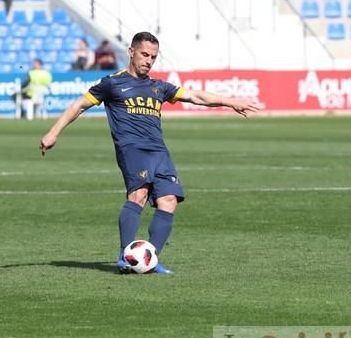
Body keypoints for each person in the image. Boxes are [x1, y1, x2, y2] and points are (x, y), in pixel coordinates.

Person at [40, 32, 258, 275]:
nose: (148, 60)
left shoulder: (159, 87)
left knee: (169, 201)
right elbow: (78, 105)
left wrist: (230, 102)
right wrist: (53, 132)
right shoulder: (112, 83)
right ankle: (125, 256)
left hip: (159, 151)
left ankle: (148, 259)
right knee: (139, 195)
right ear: (131, 51)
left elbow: (196, 96)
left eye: (153, 57)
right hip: (132, 149)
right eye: (144, 54)